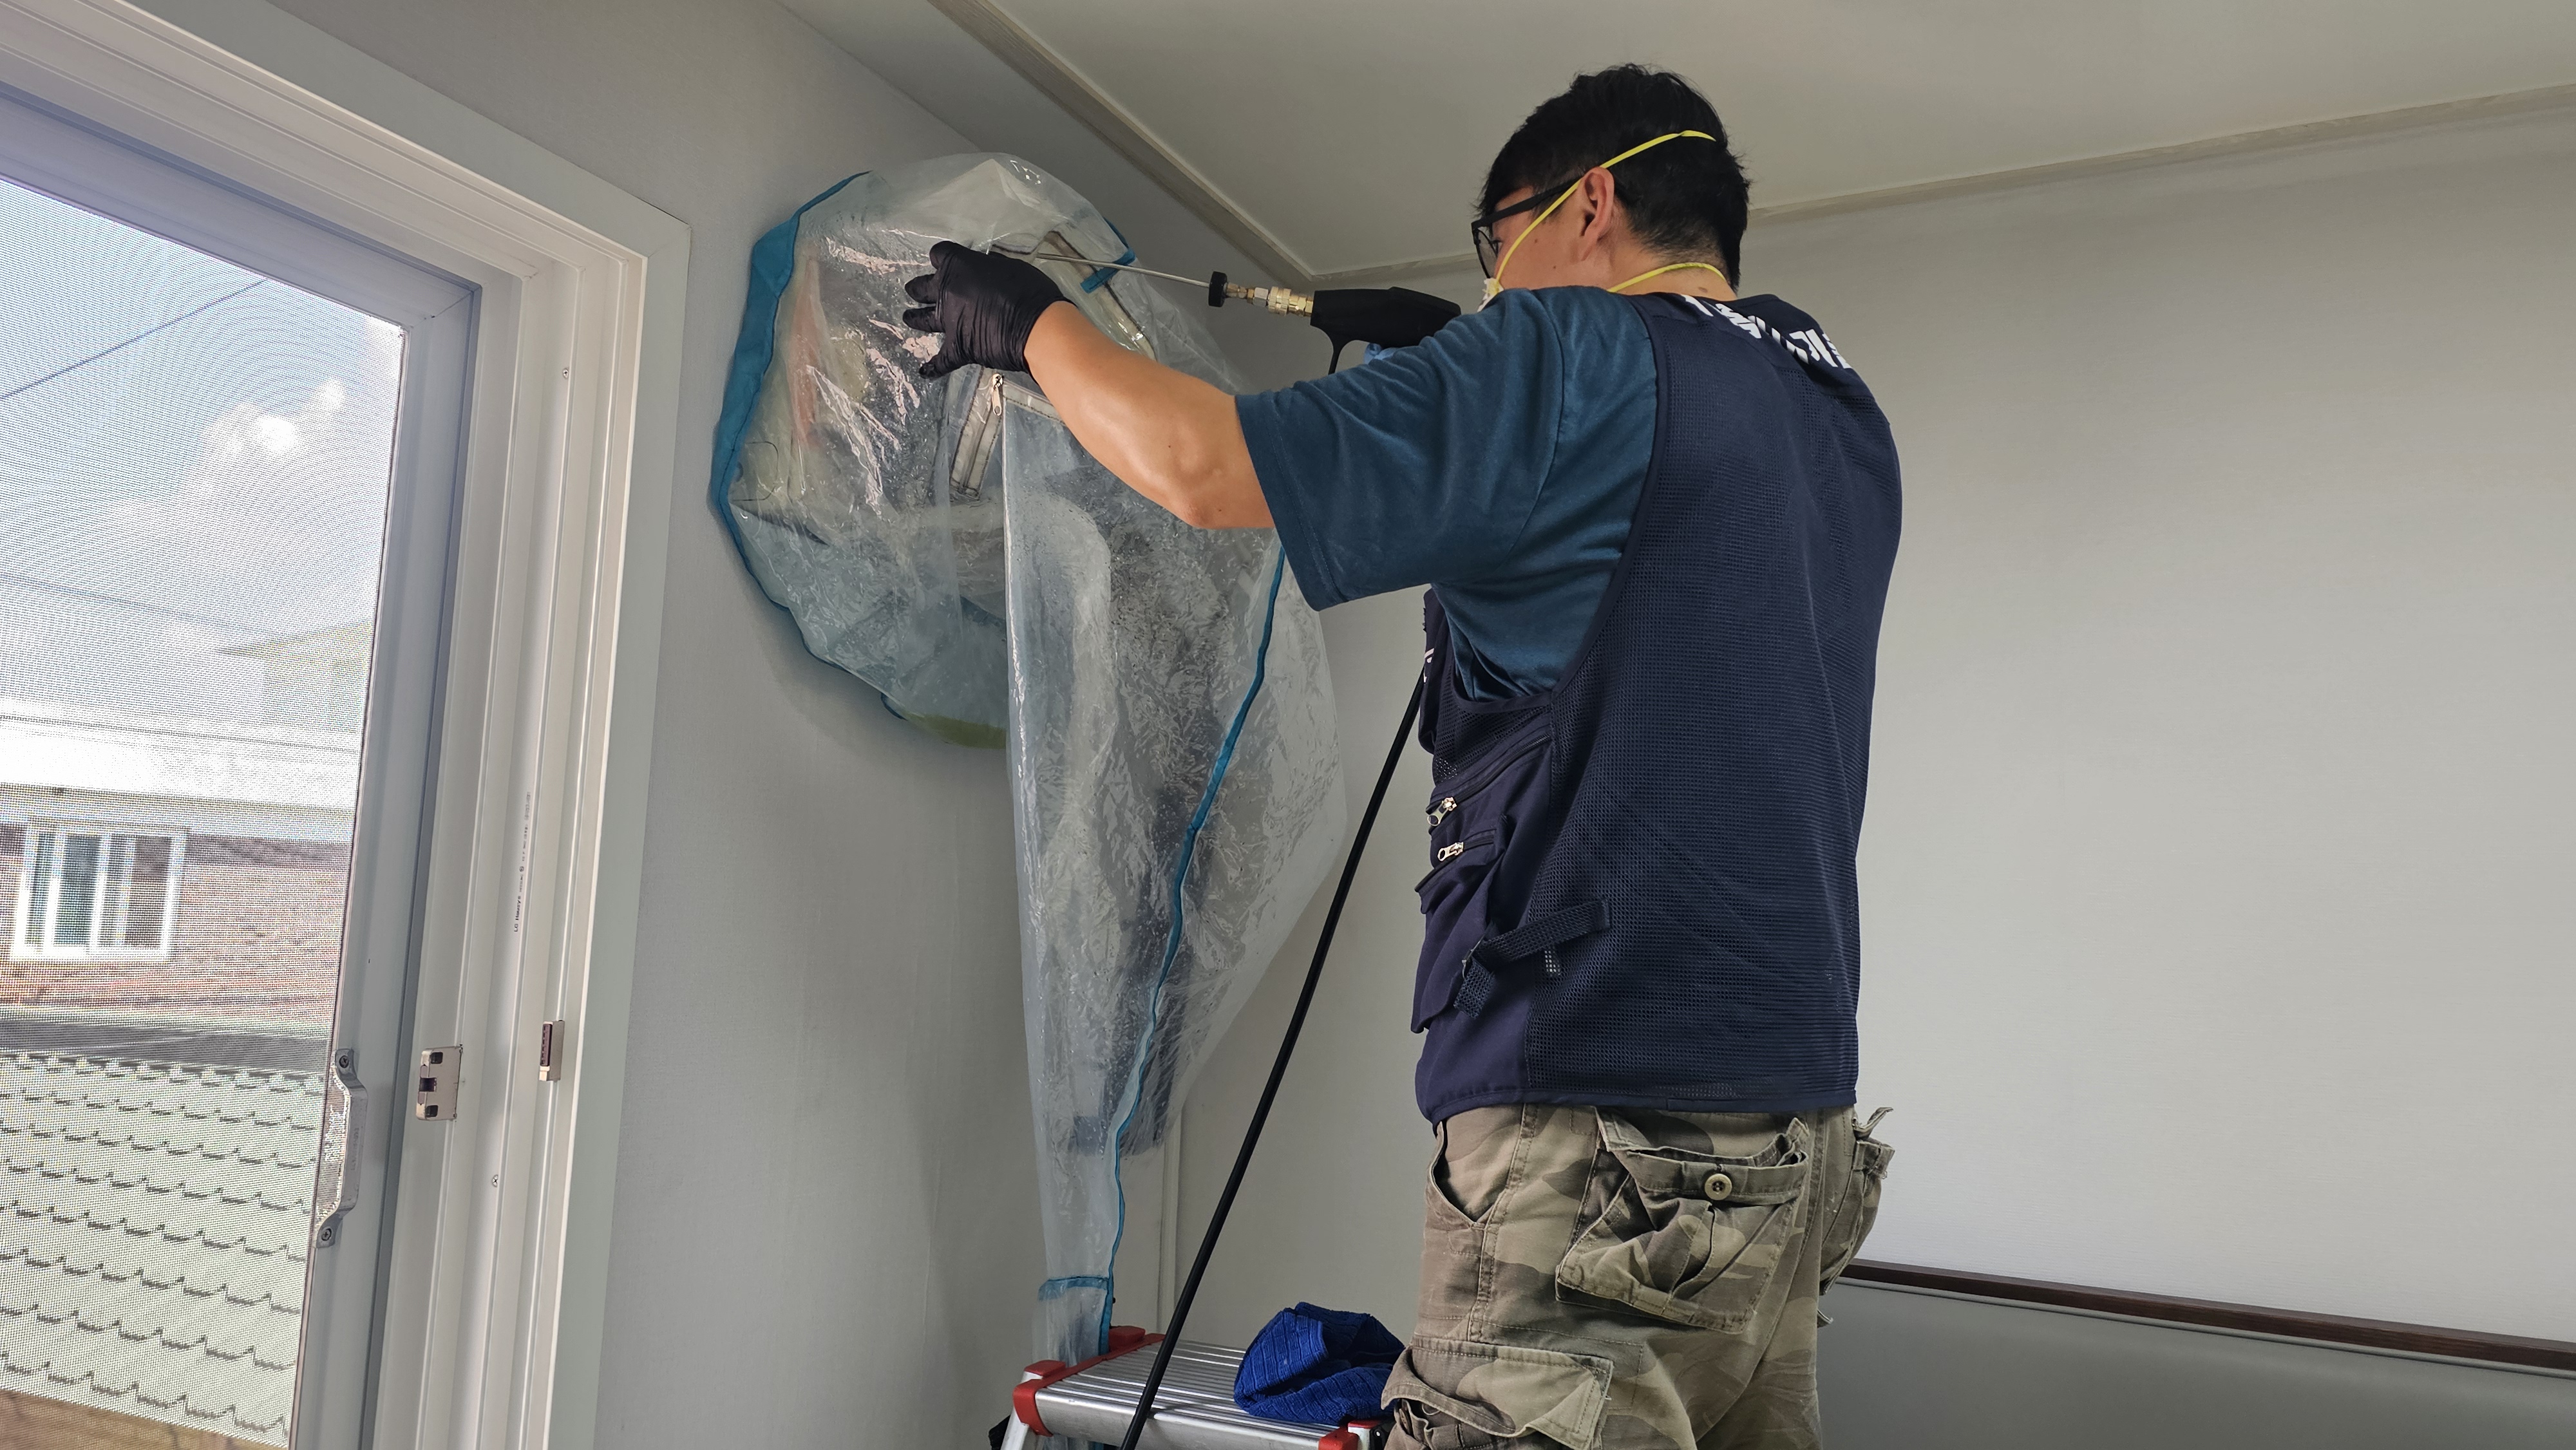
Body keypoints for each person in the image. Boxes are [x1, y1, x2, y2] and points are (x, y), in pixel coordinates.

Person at [907, 64, 1900, 1450]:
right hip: (1791, 1134)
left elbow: (1203, 470)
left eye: (1499, 245)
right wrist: (1476, 402)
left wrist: (1031, 326)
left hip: (1600, 1120)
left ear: (1589, 204)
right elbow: (1650, 602)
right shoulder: (1836, 413)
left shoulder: (1567, 353)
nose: (1493, 289)